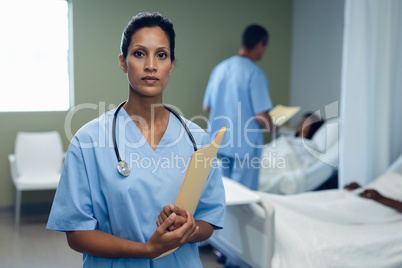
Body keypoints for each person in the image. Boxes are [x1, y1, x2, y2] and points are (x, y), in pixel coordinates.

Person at [46, 12, 226, 267]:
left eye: (161, 55)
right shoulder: (88, 141)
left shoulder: (198, 140)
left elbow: (208, 219)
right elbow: (76, 233)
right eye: (139, 53)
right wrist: (148, 249)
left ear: (171, 64)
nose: (150, 65)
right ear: (123, 62)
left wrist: (186, 228)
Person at [202, 24, 277, 191]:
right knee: (244, 198)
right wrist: (274, 129)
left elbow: (207, 107)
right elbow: (261, 116)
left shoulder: (219, 69)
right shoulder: (255, 74)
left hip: (220, 143)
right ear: (260, 44)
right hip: (245, 147)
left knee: (223, 194)